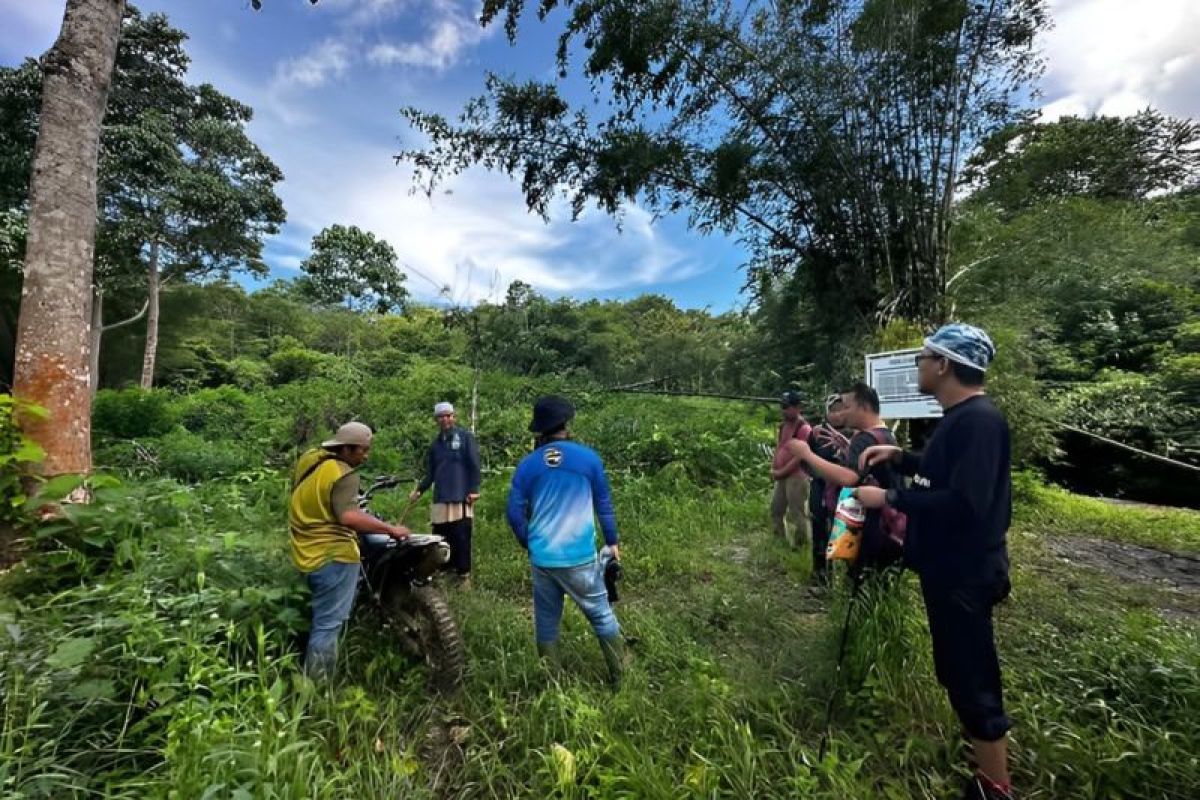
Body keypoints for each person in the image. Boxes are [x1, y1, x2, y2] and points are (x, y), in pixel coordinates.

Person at [855, 323, 1014, 800]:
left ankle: (995, 787)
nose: (919, 365)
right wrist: (904, 458)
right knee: (957, 668)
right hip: (948, 568)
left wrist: (887, 496)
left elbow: (966, 502)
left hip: (964, 572)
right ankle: (984, 769)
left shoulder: (979, 421)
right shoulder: (962, 419)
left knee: (972, 675)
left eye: (924, 357)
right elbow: (946, 474)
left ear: (943, 364)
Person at [505, 395, 625, 684]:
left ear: (540, 430)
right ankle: (621, 677)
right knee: (601, 615)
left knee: (546, 622)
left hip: (543, 558)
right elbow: (604, 505)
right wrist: (612, 542)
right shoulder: (588, 459)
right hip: (579, 558)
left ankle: (554, 685)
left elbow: (513, 511)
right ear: (565, 425)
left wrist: (529, 542)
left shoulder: (528, 465)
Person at [289, 421, 411, 679]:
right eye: (361, 451)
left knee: (320, 618)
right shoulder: (343, 474)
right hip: (335, 556)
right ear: (345, 449)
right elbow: (349, 518)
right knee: (328, 626)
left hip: (305, 550)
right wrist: (390, 529)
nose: (365, 456)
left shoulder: (310, 460)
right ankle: (318, 689)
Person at [787, 382, 903, 569]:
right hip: (889, 525)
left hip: (869, 527)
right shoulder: (885, 434)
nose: (843, 413)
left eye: (847, 407)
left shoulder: (864, 439)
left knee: (861, 581)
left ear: (864, 407)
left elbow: (849, 477)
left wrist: (806, 454)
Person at [410, 402, 481, 586]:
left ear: (454, 417)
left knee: (461, 537)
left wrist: (474, 490)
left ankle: (463, 575)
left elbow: (474, 465)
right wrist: (419, 490)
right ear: (437, 420)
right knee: (441, 537)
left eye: (449, 415)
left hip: (461, 496)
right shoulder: (435, 445)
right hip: (441, 496)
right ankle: (445, 571)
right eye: (442, 416)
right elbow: (431, 473)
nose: (446, 419)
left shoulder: (465, 438)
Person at [807, 394, 851, 585]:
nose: (837, 414)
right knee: (819, 528)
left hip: (844, 490)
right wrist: (815, 475)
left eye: (841, 409)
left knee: (844, 531)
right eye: (833, 410)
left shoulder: (854, 433)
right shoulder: (817, 432)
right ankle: (821, 576)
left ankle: (847, 580)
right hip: (820, 487)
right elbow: (806, 457)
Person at [769, 391, 813, 549]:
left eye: (787, 407)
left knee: (797, 512)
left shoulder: (804, 428)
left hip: (796, 476)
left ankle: (801, 545)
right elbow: (779, 447)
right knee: (776, 508)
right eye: (783, 407)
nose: (784, 410)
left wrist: (782, 471)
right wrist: (773, 467)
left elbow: (800, 457)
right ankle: (779, 540)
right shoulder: (783, 426)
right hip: (781, 475)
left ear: (798, 407)